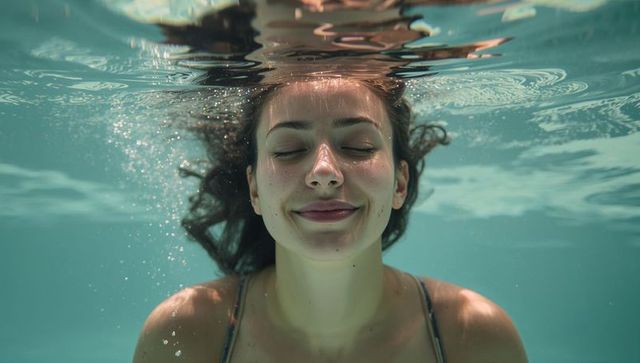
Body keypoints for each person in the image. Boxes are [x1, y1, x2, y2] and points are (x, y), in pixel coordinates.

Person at [132, 77, 528, 362]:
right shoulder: (187, 331)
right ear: (254, 189)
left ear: (400, 183)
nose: (324, 170)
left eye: (358, 145)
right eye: (288, 149)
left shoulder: (472, 335)